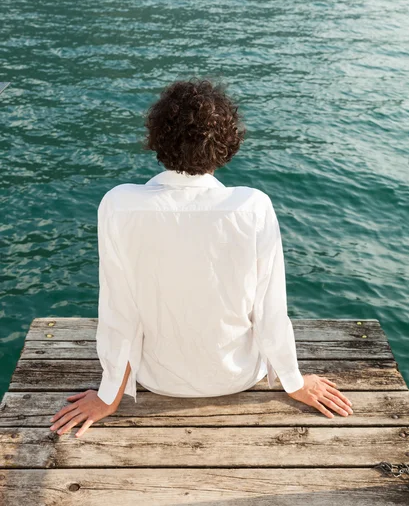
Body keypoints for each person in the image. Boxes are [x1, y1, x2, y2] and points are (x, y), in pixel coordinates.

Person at [50, 78, 353, 437]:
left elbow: (120, 313)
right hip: (238, 376)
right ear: (226, 144)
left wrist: (108, 395)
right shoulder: (252, 207)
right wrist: (294, 380)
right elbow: (269, 311)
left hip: (159, 379)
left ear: (157, 139)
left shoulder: (119, 205)